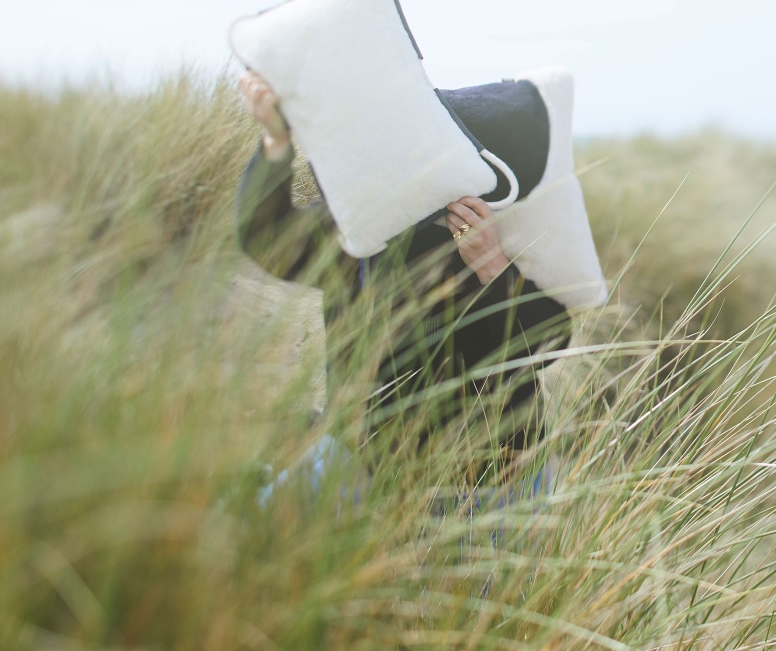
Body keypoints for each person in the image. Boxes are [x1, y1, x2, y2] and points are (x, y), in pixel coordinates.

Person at [236, 70, 570, 486]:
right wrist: (275, 141)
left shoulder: (503, 228)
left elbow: (551, 341)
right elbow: (267, 238)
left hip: (485, 477)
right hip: (368, 459)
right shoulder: (368, 226)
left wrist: (493, 266)